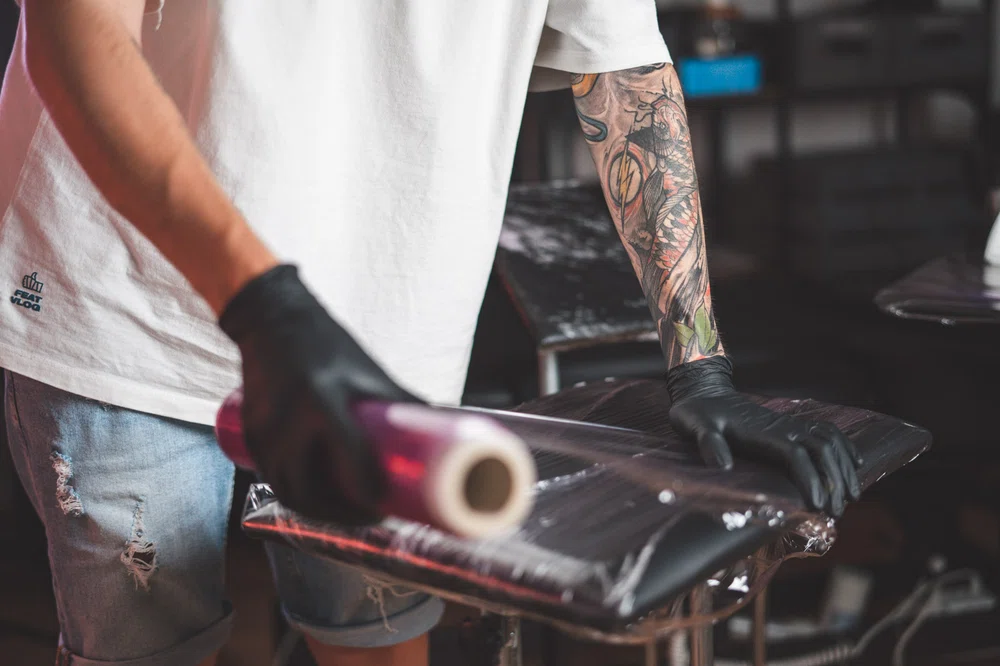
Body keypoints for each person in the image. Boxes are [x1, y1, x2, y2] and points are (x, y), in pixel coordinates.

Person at [0, 1, 862, 665]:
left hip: (379, 348)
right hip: (119, 297)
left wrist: (699, 364)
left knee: (374, 640)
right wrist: (268, 304)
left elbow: (624, 74)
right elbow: (73, 41)